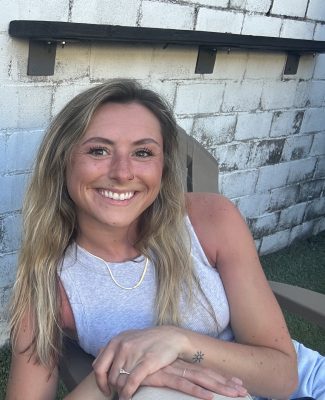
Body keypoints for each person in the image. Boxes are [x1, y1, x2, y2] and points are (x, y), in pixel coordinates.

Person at [5, 79, 324, 400]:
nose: (122, 172)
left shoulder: (211, 220)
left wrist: (178, 342)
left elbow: (284, 375)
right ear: (62, 161)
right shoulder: (48, 283)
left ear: (162, 166)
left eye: (143, 152)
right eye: (98, 150)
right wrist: (116, 378)